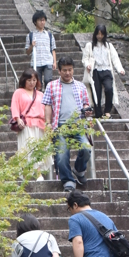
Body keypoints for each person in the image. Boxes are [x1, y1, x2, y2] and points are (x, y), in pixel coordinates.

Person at [42, 57, 92, 192]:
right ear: (59, 71)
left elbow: (86, 103)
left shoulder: (80, 86)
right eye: (64, 70)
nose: (67, 73)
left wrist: (87, 112)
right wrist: (48, 123)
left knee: (87, 148)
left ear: (73, 70)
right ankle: (68, 181)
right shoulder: (51, 85)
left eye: (70, 70)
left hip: (78, 125)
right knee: (62, 154)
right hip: (59, 125)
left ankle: (79, 170)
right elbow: (47, 105)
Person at [66, 189, 124, 257]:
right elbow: (118, 241)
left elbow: (78, 242)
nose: (71, 212)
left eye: (69, 209)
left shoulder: (75, 219)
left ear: (75, 205)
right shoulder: (105, 217)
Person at [10, 68, 51, 179]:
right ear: (24, 80)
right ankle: (38, 175)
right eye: (29, 80)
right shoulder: (18, 92)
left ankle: (27, 176)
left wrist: (48, 123)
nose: (32, 83)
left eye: (34, 80)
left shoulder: (40, 94)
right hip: (26, 124)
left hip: (40, 124)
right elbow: (15, 107)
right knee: (28, 150)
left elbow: (46, 109)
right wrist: (18, 119)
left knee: (38, 150)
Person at [82, 25, 126, 119]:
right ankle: (98, 113)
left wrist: (120, 69)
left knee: (109, 89)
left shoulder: (109, 46)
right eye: (98, 34)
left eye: (101, 34)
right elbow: (85, 58)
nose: (100, 36)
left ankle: (107, 111)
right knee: (96, 92)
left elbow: (115, 59)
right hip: (95, 71)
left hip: (107, 70)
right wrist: (87, 65)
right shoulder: (90, 46)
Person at [25, 10, 57, 86]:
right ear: (35, 22)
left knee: (48, 81)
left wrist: (54, 62)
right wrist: (32, 46)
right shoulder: (30, 35)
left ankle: (48, 96)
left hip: (48, 61)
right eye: (40, 20)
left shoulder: (49, 35)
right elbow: (27, 52)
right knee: (38, 84)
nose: (42, 22)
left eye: (43, 20)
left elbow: (53, 49)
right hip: (36, 62)